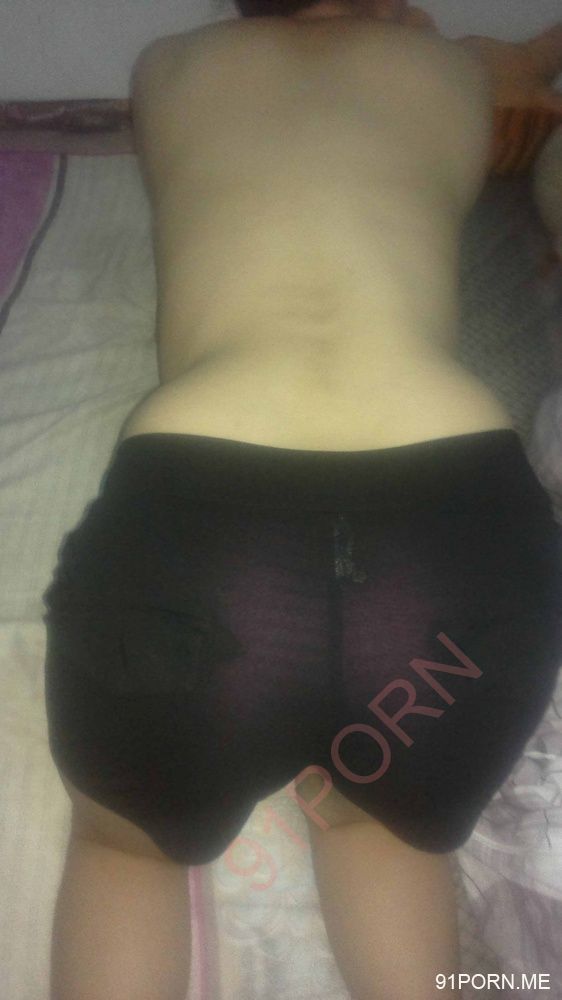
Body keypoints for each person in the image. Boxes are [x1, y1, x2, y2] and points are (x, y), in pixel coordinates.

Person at [43, 2, 562, 998]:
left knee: (126, 849)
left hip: (205, 526)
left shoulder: (171, 65)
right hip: (456, 545)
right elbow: (536, 61)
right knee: (374, 819)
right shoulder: (457, 67)